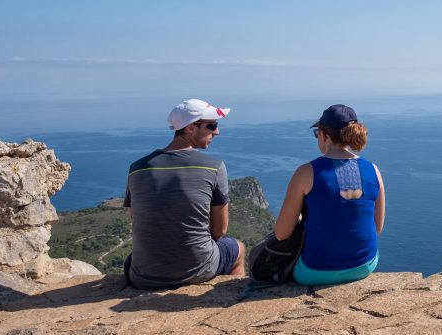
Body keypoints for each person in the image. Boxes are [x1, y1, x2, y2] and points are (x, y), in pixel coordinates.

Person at [123, 98, 246, 288]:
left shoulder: (137, 168)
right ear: (190, 128)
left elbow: (135, 217)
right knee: (237, 248)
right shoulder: (214, 167)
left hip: (143, 274)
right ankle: (231, 297)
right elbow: (219, 231)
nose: (217, 131)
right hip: (198, 269)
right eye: (211, 125)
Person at [273, 104, 385, 286]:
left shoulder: (306, 172)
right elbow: (377, 227)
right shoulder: (373, 170)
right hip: (364, 266)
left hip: (314, 272)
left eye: (317, 133)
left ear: (324, 134)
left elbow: (281, 234)